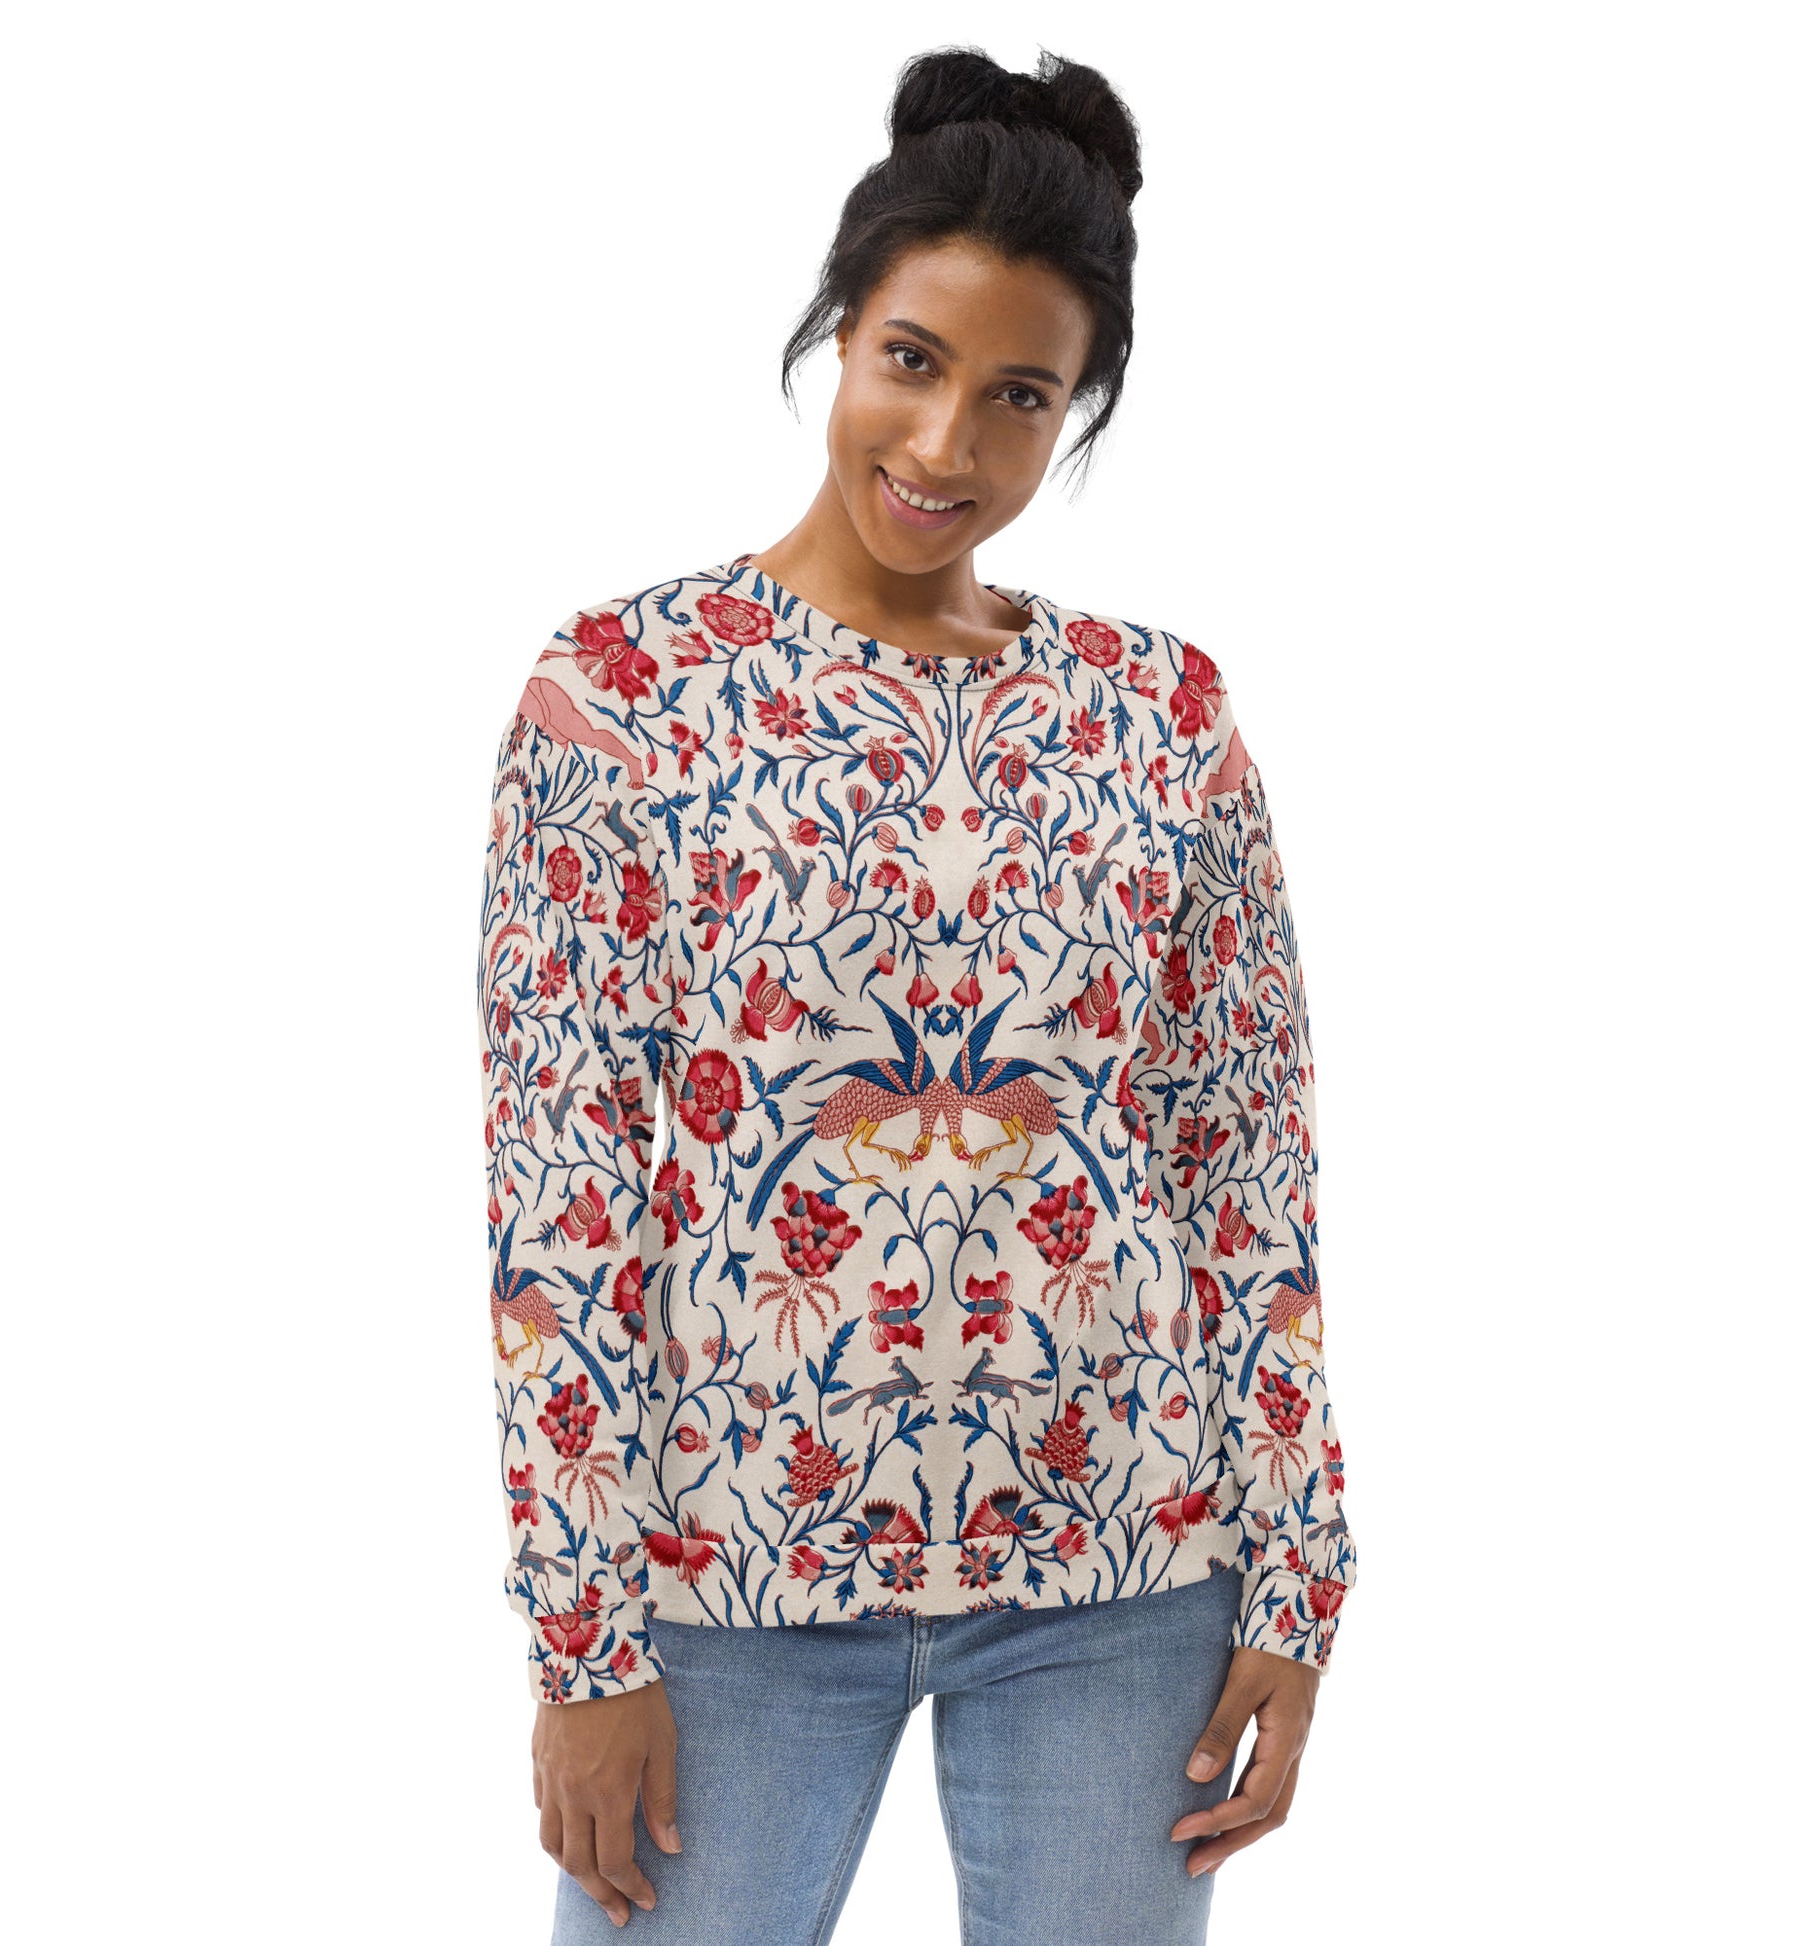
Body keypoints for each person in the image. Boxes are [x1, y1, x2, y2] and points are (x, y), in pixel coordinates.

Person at [477, 46, 1358, 1945]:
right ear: (837, 331)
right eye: (910, 359)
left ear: (1077, 411)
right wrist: (579, 1638)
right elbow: (560, 1190)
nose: (947, 442)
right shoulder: (619, 695)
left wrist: (1297, 1574)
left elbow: (1246, 1160)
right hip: (723, 1568)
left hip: (1124, 1560)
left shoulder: (1164, 716)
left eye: (1019, 394)